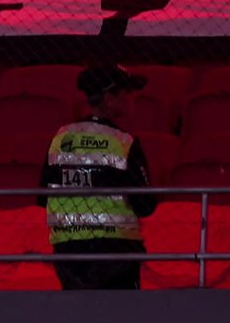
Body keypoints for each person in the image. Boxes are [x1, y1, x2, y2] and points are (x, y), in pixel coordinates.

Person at [43, 61, 159, 289]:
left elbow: (44, 195)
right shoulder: (123, 142)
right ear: (109, 98)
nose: (132, 97)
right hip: (116, 250)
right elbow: (145, 205)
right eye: (127, 91)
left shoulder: (61, 139)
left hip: (68, 251)